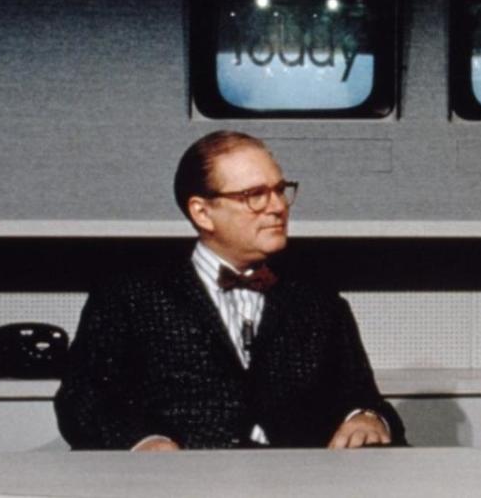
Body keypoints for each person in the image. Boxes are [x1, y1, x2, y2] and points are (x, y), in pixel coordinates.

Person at [55, 131, 404, 450]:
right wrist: (145, 441)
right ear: (202, 213)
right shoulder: (129, 297)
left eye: (280, 190)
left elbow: (363, 397)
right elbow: (82, 401)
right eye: (255, 195)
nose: (278, 207)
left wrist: (367, 417)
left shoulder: (317, 299)